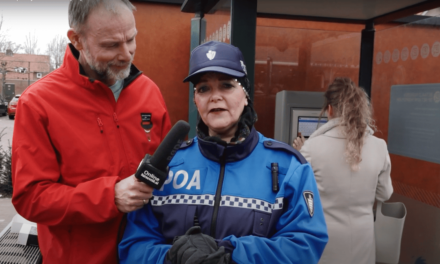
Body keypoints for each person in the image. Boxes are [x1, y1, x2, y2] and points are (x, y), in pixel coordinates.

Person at [119, 41, 328, 264]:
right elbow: (133, 248)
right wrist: (172, 257)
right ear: (196, 101)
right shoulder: (166, 167)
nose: (215, 96)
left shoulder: (289, 167)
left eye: (227, 85)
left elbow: (304, 246)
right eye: (203, 89)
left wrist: (231, 254)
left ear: (246, 95)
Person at [11, 0, 171, 263]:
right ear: (77, 40)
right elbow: (31, 197)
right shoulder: (39, 102)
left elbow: (171, 170)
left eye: (131, 39)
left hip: (146, 255)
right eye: (111, 45)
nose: (127, 53)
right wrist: (110, 197)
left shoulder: (149, 91)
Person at [292, 77, 393, 264]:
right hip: (363, 240)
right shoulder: (379, 146)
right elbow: (384, 193)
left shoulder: (312, 148)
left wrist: (299, 155)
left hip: (324, 241)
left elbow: (300, 197)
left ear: (329, 109)